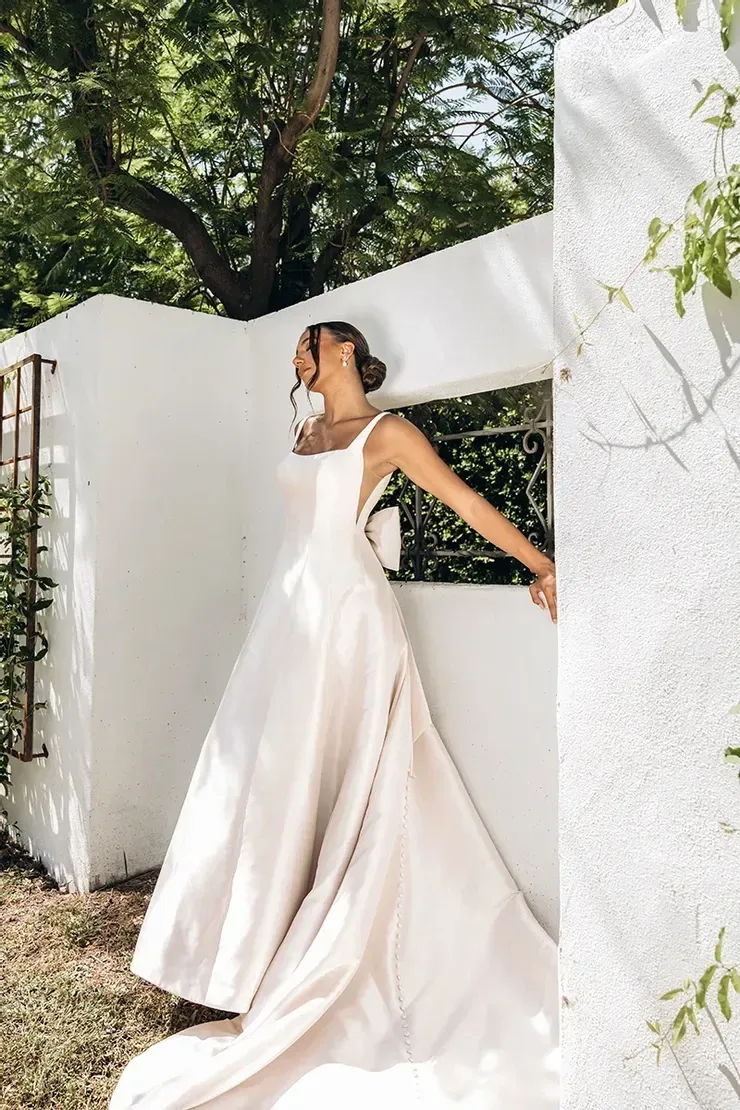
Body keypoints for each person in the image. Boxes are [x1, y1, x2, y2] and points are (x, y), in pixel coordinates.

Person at [109, 321, 560, 1110]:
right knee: (266, 775)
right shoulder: (306, 427)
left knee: (334, 778)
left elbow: (461, 499)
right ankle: (244, 952)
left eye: (304, 348)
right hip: (289, 616)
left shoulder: (388, 434)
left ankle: (327, 951)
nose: (295, 361)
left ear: (344, 351)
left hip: (348, 620)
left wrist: (543, 564)